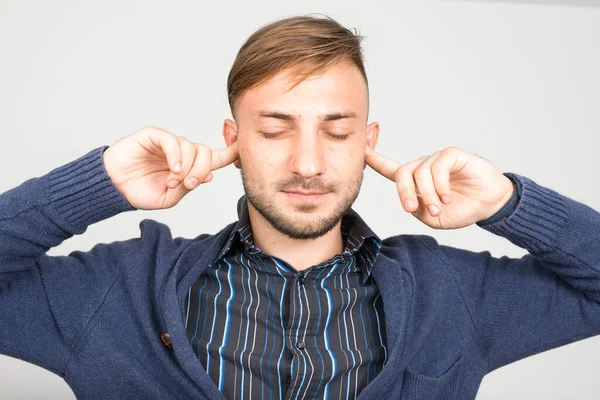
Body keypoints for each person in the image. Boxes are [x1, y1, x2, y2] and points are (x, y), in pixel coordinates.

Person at [1, 14, 599, 400]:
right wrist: (95, 183)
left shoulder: (449, 293)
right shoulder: (120, 289)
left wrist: (508, 203)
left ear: (368, 143)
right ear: (233, 141)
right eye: (275, 129)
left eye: (337, 132)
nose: (308, 162)